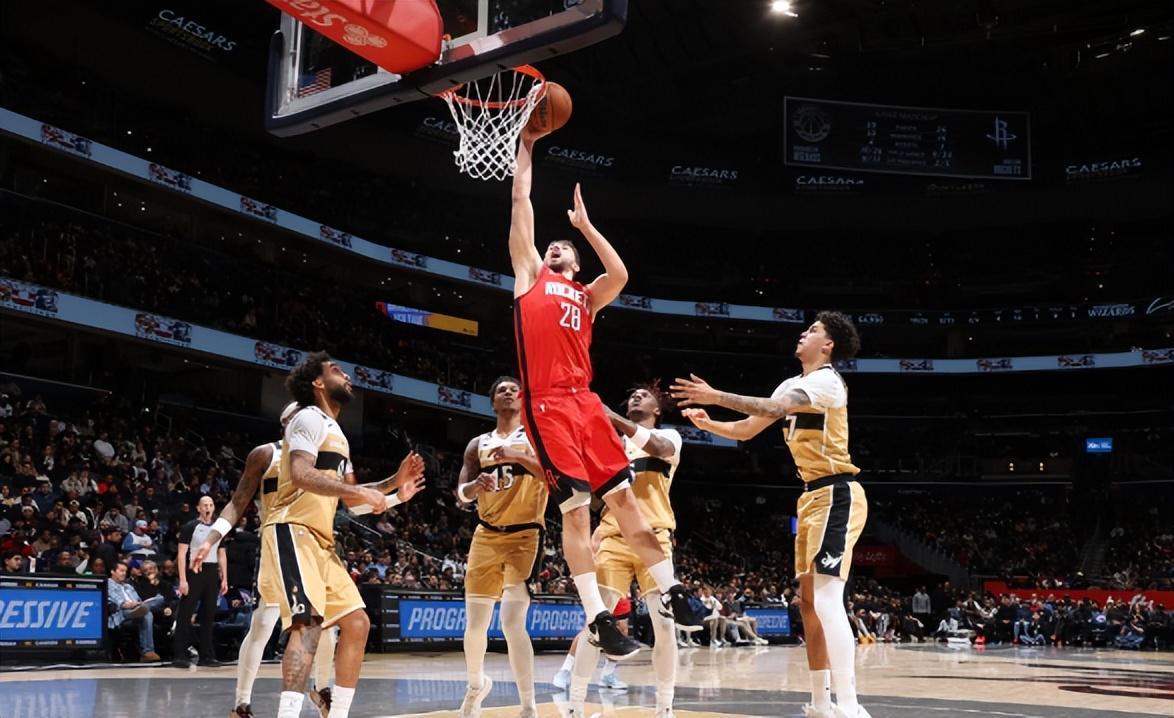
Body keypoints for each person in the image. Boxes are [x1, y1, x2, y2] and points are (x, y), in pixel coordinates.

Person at [508, 131, 700, 677]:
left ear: (574, 259)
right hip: (547, 404)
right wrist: (527, 147)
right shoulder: (529, 276)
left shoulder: (588, 296)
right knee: (574, 509)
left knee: (626, 504)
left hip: (586, 404)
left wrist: (586, 228)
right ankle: (597, 617)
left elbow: (620, 275)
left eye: (562, 247)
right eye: (552, 246)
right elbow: (520, 200)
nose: (555, 248)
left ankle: (672, 590)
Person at [672, 312, 869, 718]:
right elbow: (747, 429)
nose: (803, 333)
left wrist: (716, 396)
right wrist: (711, 424)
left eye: (813, 330)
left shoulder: (827, 382)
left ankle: (850, 706)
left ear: (828, 345)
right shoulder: (790, 383)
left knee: (828, 599)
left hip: (837, 491)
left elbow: (775, 407)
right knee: (808, 604)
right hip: (810, 497)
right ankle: (820, 703)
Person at [264, 353, 426, 718]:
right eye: (336, 370)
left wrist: (395, 486)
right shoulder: (308, 417)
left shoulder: (338, 435)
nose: (347, 375)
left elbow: (352, 501)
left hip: (322, 541)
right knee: (307, 626)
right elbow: (302, 474)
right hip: (294, 528)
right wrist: (363, 491)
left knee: (357, 623)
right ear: (318, 382)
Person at [191, 403, 337, 718]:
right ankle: (242, 703)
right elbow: (237, 502)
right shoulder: (267, 454)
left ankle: (322, 689)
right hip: (279, 545)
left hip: (314, 547)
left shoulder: (323, 457)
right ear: (287, 422)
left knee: (327, 624)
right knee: (265, 625)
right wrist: (212, 539)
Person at [566, 383, 685, 718]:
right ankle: (574, 706)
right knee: (597, 623)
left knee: (664, 625)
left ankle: (664, 707)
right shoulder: (610, 444)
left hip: (654, 538)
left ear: (657, 409)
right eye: (632, 393)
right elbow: (593, 498)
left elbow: (658, 447)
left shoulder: (669, 436)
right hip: (613, 537)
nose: (635, 396)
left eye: (644, 395)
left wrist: (612, 417)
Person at [454, 377, 548, 718]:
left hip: (526, 535)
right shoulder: (477, 444)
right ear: (493, 402)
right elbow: (460, 495)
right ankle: (475, 685)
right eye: (501, 390)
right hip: (486, 535)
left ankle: (528, 705)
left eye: (514, 389)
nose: (508, 392)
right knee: (475, 624)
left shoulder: (538, 437)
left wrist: (515, 456)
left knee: (511, 622)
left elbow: (553, 477)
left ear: (523, 400)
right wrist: (475, 486)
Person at [173, 495, 228, 668]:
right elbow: (181, 554)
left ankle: (206, 655)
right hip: (194, 571)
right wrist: (183, 579)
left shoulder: (218, 529)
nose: (208, 508)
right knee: (185, 613)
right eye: (205, 505)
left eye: (210, 505)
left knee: (209, 615)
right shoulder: (190, 527)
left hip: (212, 572)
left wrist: (224, 578)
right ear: (198, 508)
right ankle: (180, 654)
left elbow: (221, 553)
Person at [107, 560, 162, 661]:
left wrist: (137, 604)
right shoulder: (108, 584)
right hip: (121, 614)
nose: (124, 573)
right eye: (121, 571)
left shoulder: (128, 586)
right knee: (145, 612)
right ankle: (147, 652)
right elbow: (119, 603)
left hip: (136, 611)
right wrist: (129, 604)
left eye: (125, 571)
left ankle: (147, 653)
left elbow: (138, 600)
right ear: (112, 571)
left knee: (158, 601)